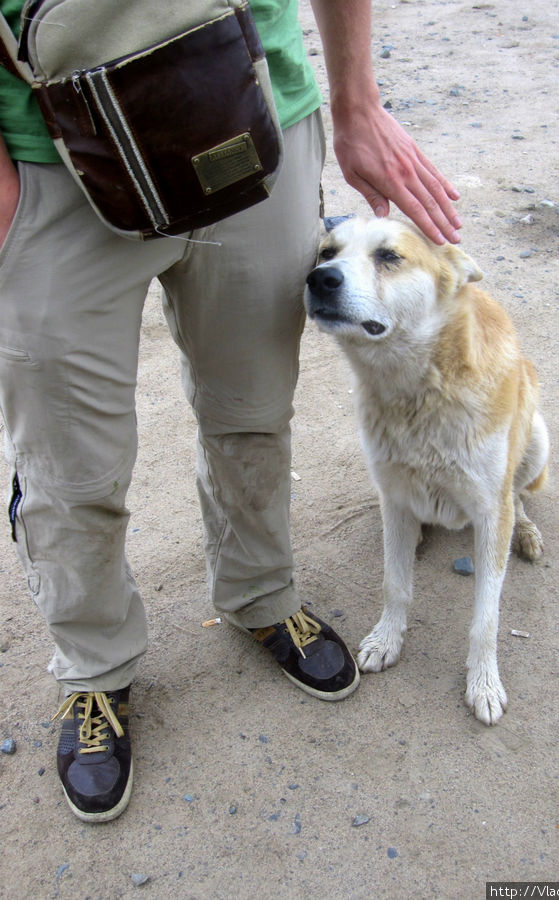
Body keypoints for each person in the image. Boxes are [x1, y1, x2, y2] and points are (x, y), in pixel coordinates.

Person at [0, 0, 462, 823]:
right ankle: (94, 669)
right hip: (48, 154)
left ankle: (257, 591)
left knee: (252, 413)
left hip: (250, 118)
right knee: (67, 468)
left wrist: (355, 104)